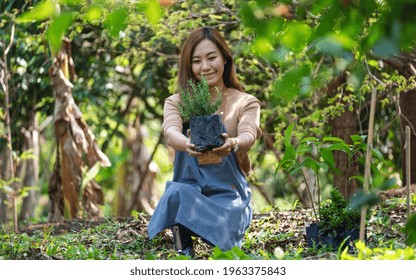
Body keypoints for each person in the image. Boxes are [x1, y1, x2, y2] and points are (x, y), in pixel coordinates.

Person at [147, 26, 262, 257]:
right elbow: (170, 131)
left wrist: (232, 144)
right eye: (197, 61)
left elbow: (249, 136)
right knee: (177, 192)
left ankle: (195, 224)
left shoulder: (245, 102)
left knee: (228, 223)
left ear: (225, 59)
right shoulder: (176, 102)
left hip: (228, 195)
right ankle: (183, 233)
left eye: (212, 58)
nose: (206, 67)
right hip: (191, 189)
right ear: (189, 66)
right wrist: (186, 144)